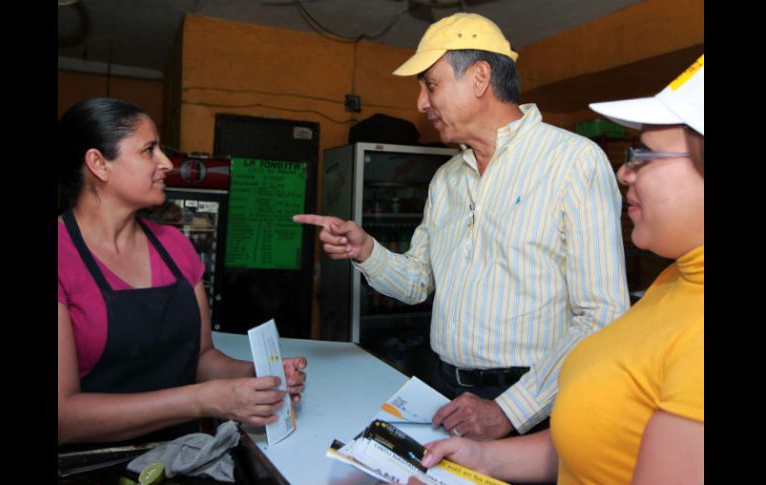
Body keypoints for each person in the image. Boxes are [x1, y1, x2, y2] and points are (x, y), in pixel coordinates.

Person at [295, 12, 629, 440]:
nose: (421, 103)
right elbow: (418, 283)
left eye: (430, 85)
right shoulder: (447, 179)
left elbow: (603, 314)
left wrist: (509, 411)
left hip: (534, 400)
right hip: (444, 386)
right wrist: (367, 251)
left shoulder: (574, 161)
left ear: (479, 78)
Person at [410, 55, 704, 485]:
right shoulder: (673, 282)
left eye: (646, 155)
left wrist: (509, 412)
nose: (624, 172)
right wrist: (483, 459)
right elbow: (598, 440)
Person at [58, 98, 307, 446]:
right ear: (99, 163)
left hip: (182, 454)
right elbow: (63, 418)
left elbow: (202, 359)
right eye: (149, 150)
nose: (166, 163)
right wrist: (202, 400)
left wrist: (255, 376)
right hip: (92, 464)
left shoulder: (174, 246)